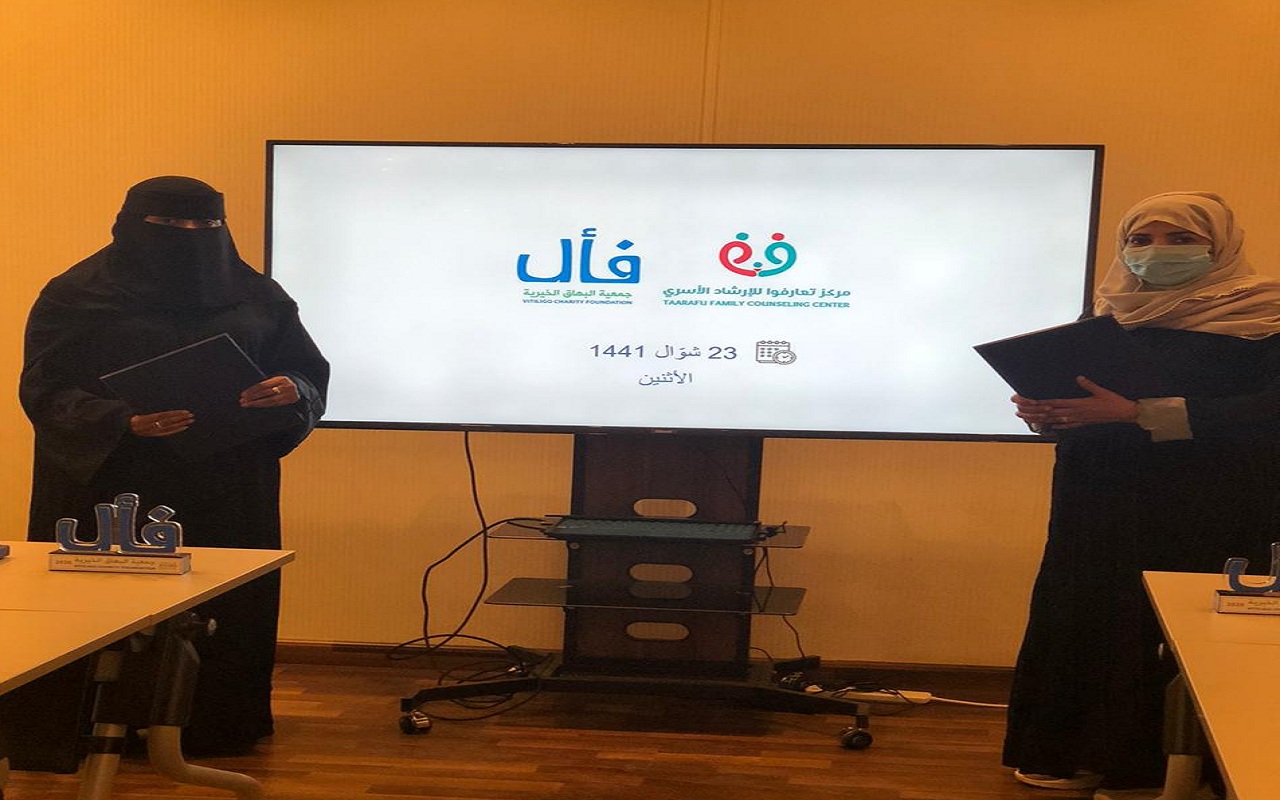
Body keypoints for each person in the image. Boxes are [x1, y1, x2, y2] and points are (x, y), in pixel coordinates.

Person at [15, 175, 329, 758]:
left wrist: (293, 390)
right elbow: (44, 389)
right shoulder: (75, 295)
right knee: (99, 612)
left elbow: (306, 371)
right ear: (130, 225)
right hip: (111, 487)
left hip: (226, 481)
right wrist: (121, 420)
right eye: (168, 224)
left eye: (205, 225)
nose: (188, 235)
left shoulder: (258, 295)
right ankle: (86, 730)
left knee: (221, 607)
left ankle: (214, 725)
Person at [1001, 192, 1280, 798]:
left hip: (1209, 501)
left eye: (1181, 239)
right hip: (1097, 495)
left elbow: (1269, 412)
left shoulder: (1266, 316)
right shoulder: (1106, 315)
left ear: (1221, 244)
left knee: (1173, 629)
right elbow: (1086, 406)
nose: (1157, 252)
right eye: (1140, 240)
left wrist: (1140, 413)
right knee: (1085, 612)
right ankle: (1071, 753)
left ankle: (1158, 770)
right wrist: (1046, 412)